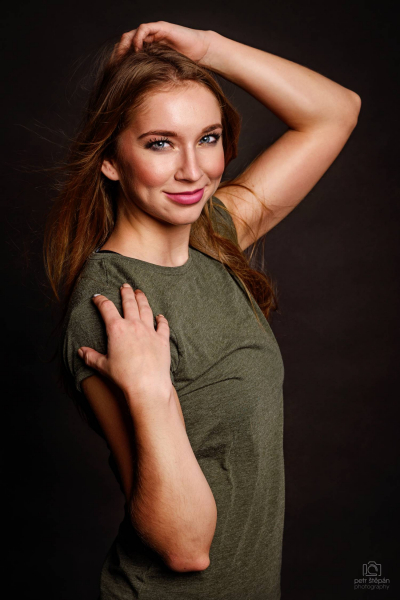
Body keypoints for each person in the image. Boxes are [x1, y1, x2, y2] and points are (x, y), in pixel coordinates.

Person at [44, 21, 361, 599]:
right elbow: (185, 548)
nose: (193, 170)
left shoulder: (214, 234)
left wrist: (209, 49)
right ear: (110, 158)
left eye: (208, 138)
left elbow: (335, 112)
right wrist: (150, 393)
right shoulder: (112, 307)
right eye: (160, 143)